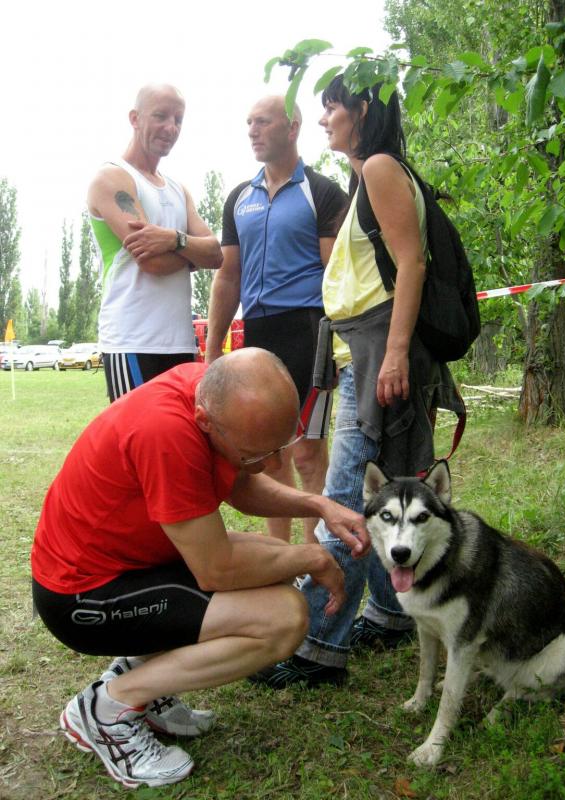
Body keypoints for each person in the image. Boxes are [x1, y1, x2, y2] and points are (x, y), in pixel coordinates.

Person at [31, 348, 370, 788]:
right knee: (284, 619)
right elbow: (217, 569)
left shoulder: (208, 391)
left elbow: (241, 485)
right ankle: (109, 708)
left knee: (273, 564)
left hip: (130, 566)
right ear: (206, 420)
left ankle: (142, 682)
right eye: (256, 453)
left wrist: (318, 505)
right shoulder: (166, 432)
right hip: (81, 597)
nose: (273, 466)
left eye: (280, 447)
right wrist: (314, 556)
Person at [250, 78, 463, 688]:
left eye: (332, 107)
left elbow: (412, 262)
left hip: (378, 354)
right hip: (367, 352)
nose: (323, 119)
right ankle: (391, 614)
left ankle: (315, 645)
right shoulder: (368, 174)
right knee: (388, 489)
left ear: (362, 110)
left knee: (343, 501)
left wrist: (393, 354)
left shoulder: (379, 168)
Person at [206, 96, 347, 543]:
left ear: (292, 128)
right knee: (269, 456)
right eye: (249, 122)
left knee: (307, 454)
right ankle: (280, 560)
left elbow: (337, 275)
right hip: (258, 333)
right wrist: (212, 350)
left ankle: (315, 559)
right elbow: (228, 276)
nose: (252, 130)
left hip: (308, 330)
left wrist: (344, 346)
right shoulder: (239, 198)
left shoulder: (322, 192)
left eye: (263, 122)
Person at [88, 83, 223, 402]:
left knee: (179, 431)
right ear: (134, 118)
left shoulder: (178, 190)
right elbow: (153, 262)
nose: (171, 127)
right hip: (132, 341)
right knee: (137, 432)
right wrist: (193, 253)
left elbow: (216, 254)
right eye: (160, 116)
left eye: (178, 119)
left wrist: (172, 239)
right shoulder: (112, 178)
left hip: (180, 342)